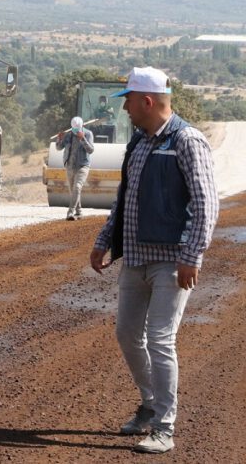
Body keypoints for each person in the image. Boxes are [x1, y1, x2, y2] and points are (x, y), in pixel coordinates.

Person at [89, 66, 218, 455]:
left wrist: (191, 256)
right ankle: (148, 404)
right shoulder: (139, 142)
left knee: (161, 339)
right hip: (136, 259)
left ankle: (164, 427)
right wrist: (104, 240)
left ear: (147, 101)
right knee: (127, 335)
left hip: (171, 262)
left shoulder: (187, 140)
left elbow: (206, 203)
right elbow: (125, 199)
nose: (125, 108)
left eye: (128, 100)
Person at [56, 116, 95, 220]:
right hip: (70, 166)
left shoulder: (88, 134)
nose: (75, 131)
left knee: (77, 187)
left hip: (83, 166)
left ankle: (70, 212)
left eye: (77, 129)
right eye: (74, 128)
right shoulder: (68, 135)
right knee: (73, 191)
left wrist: (83, 138)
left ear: (81, 126)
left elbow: (91, 150)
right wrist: (59, 139)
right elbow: (59, 148)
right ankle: (79, 211)